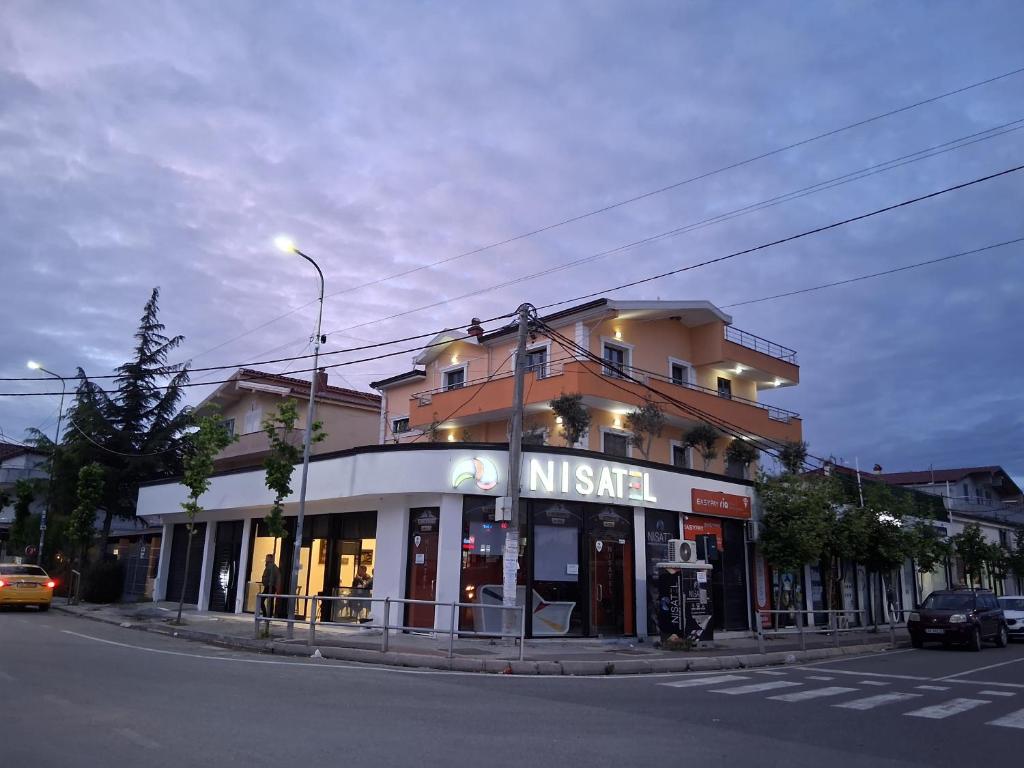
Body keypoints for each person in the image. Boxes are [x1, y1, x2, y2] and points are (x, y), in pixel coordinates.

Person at [261, 554, 282, 622]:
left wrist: (275, 586)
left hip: (270, 586)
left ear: (270, 559)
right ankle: (268, 616)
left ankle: (267, 616)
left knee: (263, 600)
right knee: (270, 601)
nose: (265, 559)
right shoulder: (271, 566)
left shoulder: (272, 567)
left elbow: (277, 577)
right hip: (269, 586)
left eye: (267, 558)